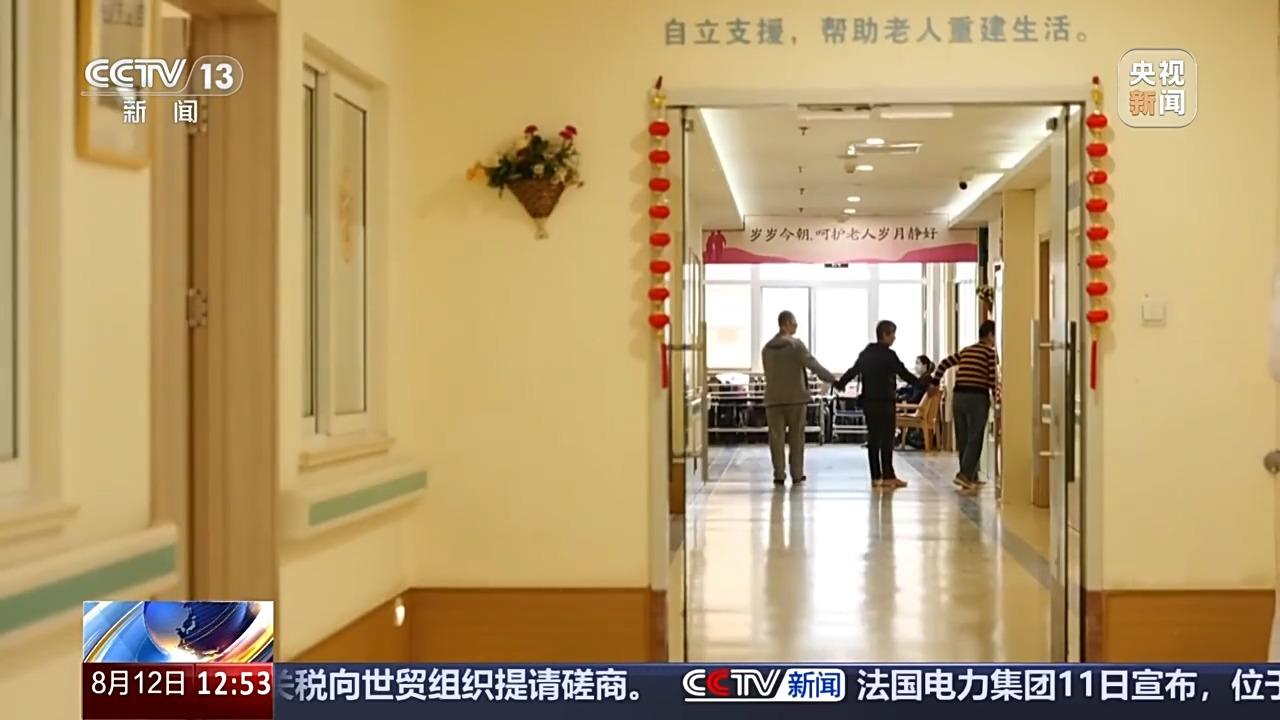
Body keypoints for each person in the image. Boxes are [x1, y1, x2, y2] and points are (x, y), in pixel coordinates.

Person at [835, 320, 927, 489]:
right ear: (884, 334)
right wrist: (923, 385)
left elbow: (853, 371)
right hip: (885, 402)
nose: (894, 338)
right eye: (892, 334)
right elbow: (904, 373)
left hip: (869, 402)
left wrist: (840, 384)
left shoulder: (866, 353)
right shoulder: (889, 355)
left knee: (873, 439)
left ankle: (876, 477)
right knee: (887, 439)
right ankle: (888, 476)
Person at [761, 310, 839, 486]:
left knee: (776, 439)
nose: (796, 326)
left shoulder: (766, 348)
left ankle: (779, 474)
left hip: (773, 400)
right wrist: (833, 379)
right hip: (795, 399)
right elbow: (813, 365)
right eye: (794, 322)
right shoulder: (795, 345)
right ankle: (797, 473)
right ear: (786, 323)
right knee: (796, 438)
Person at [931, 319, 1001, 494]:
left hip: (958, 397)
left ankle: (970, 475)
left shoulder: (966, 351)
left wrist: (935, 382)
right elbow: (992, 379)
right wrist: (997, 400)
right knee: (975, 437)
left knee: (963, 437)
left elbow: (944, 363)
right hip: (977, 397)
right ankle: (965, 475)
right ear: (991, 335)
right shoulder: (990, 353)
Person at [897, 355, 936, 449]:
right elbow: (912, 390)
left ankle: (896, 439)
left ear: (925, 366)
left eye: (918, 363)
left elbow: (916, 397)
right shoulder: (924, 379)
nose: (916, 366)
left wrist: (902, 400)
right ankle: (900, 438)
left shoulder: (925, 380)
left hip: (917, 409)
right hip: (918, 408)